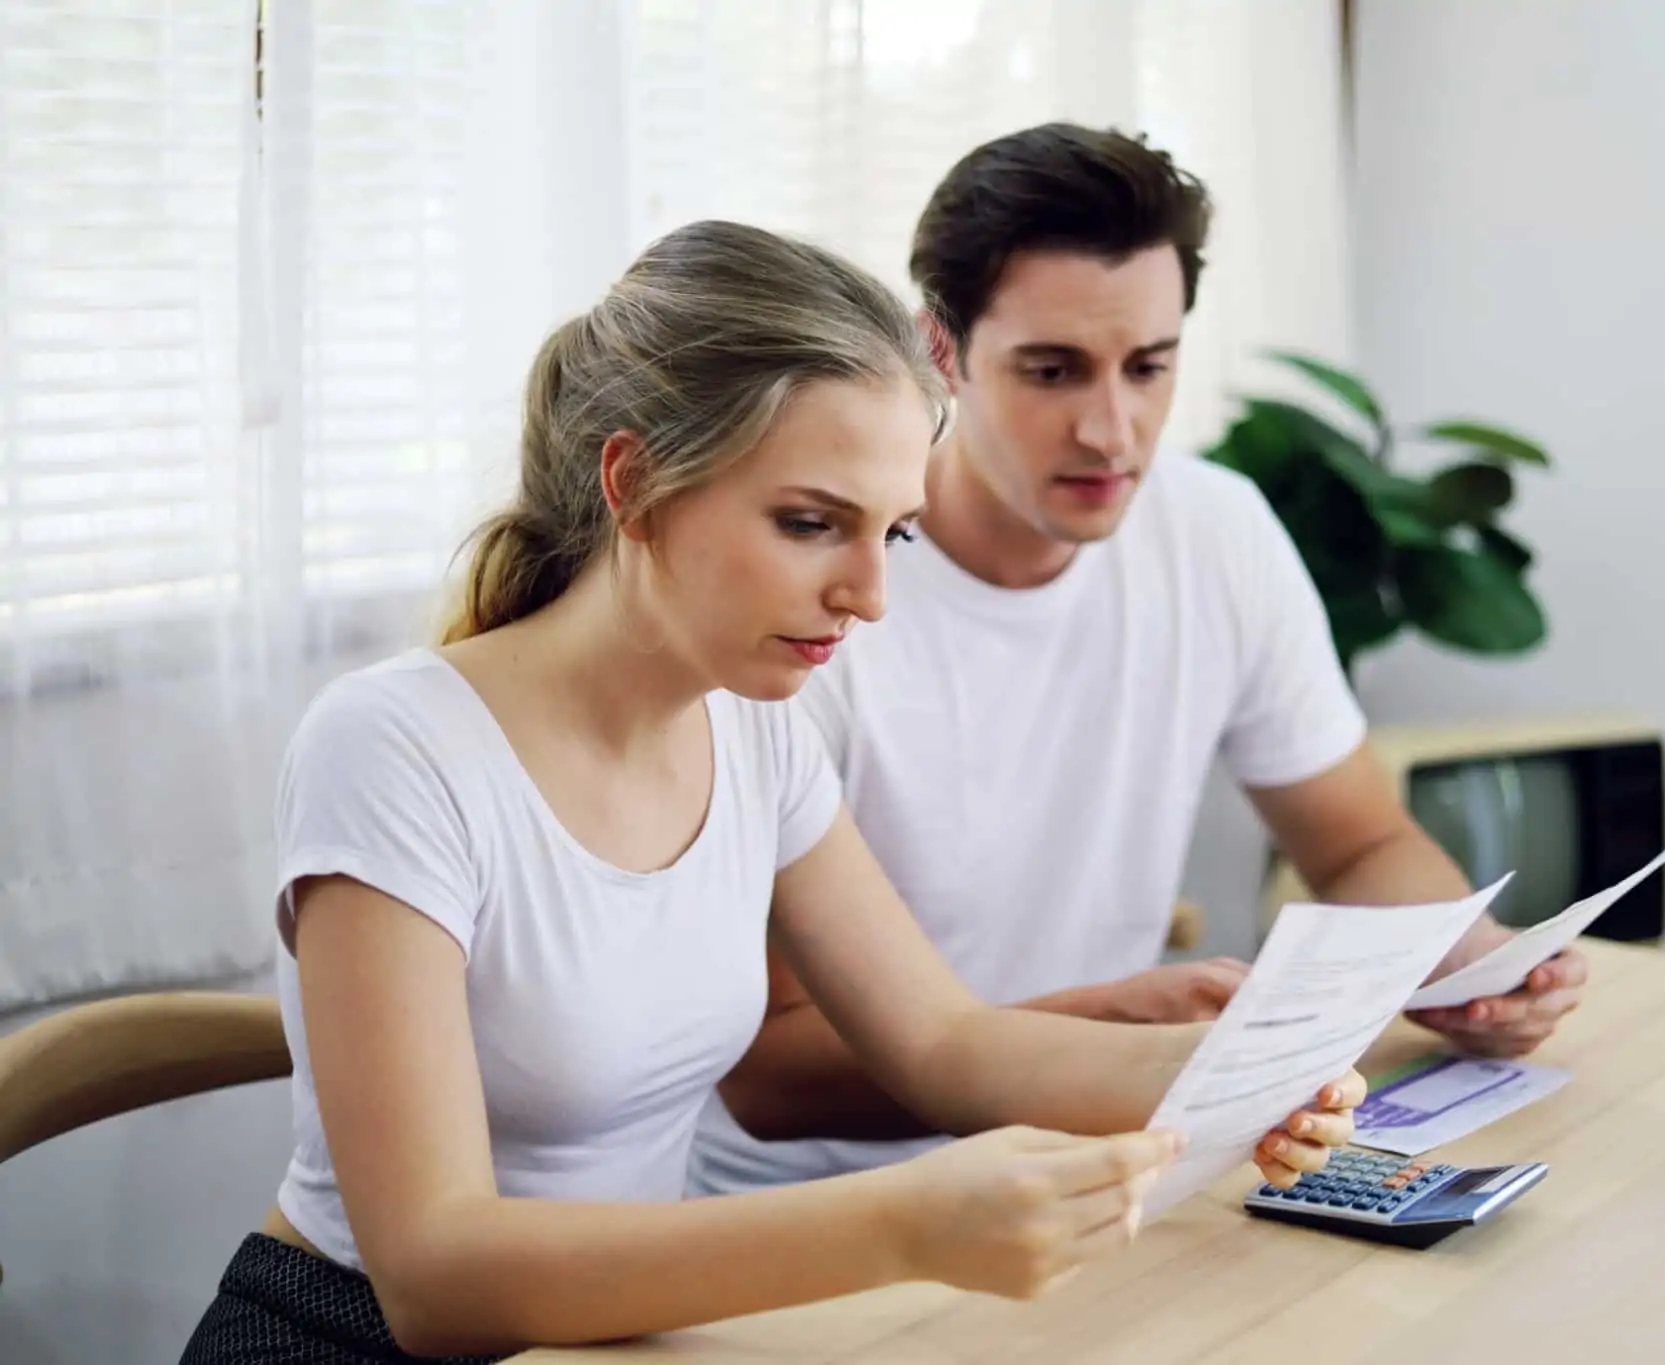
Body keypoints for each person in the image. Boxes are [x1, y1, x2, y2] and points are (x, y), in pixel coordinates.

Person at [177, 221, 1363, 1365]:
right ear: (633, 483)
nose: (867, 596)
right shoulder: (394, 748)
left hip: (618, 1339)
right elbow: (434, 1278)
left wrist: (1239, 1081)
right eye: (810, 524)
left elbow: (946, 1047)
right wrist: (899, 1225)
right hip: (349, 1341)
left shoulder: (752, 734)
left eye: (892, 535)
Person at [687, 126, 1590, 1199]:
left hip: (1103, 1160)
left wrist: (1466, 963)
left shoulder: (1214, 531)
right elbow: (771, 1078)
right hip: (829, 1203)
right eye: (1053, 370)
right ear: (941, 351)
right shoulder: (825, 600)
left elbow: (1358, 842)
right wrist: (1105, 1034)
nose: (1111, 431)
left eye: (1148, 367)